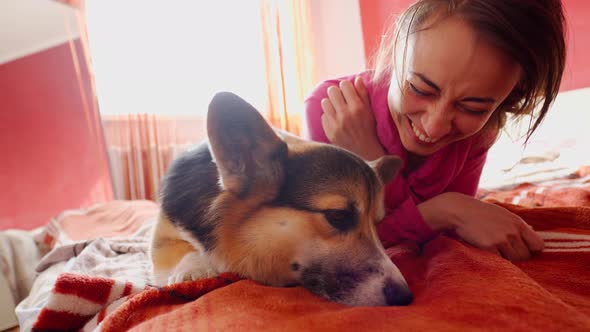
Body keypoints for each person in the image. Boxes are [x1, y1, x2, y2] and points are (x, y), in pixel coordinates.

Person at [304, 0, 566, 261]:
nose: (435, 126)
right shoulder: (332, 111)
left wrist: (449, 212)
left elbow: (444, 236)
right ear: (396, 52)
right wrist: (444, 209)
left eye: (472, 108)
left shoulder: (479, 134)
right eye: (420, 89)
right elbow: (329, 245)